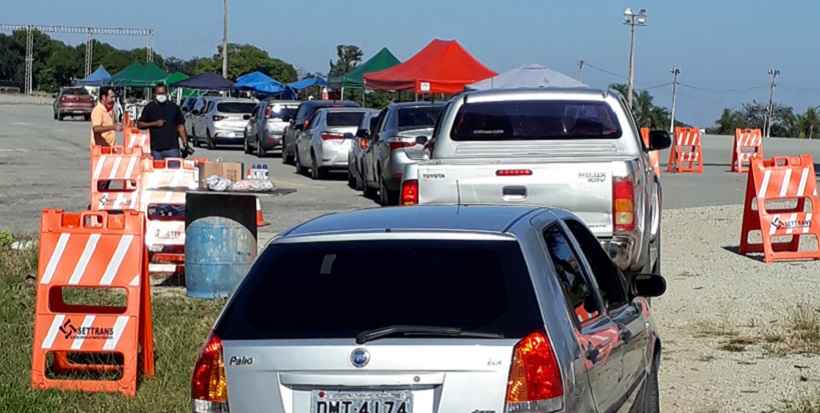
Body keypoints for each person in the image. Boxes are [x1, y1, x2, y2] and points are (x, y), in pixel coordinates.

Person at [138, 84, 189, 160]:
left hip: (172, 148)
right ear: (154, 94)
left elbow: (180, 126)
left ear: (166, 93)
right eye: (159, 93)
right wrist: (155, 123)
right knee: (157, 171)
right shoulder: (149, 107)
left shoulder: (174, 107)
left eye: (163, 93)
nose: (161, 95)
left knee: (174, 171)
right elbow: (140, 124)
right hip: (156, 149)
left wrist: (185, 143)